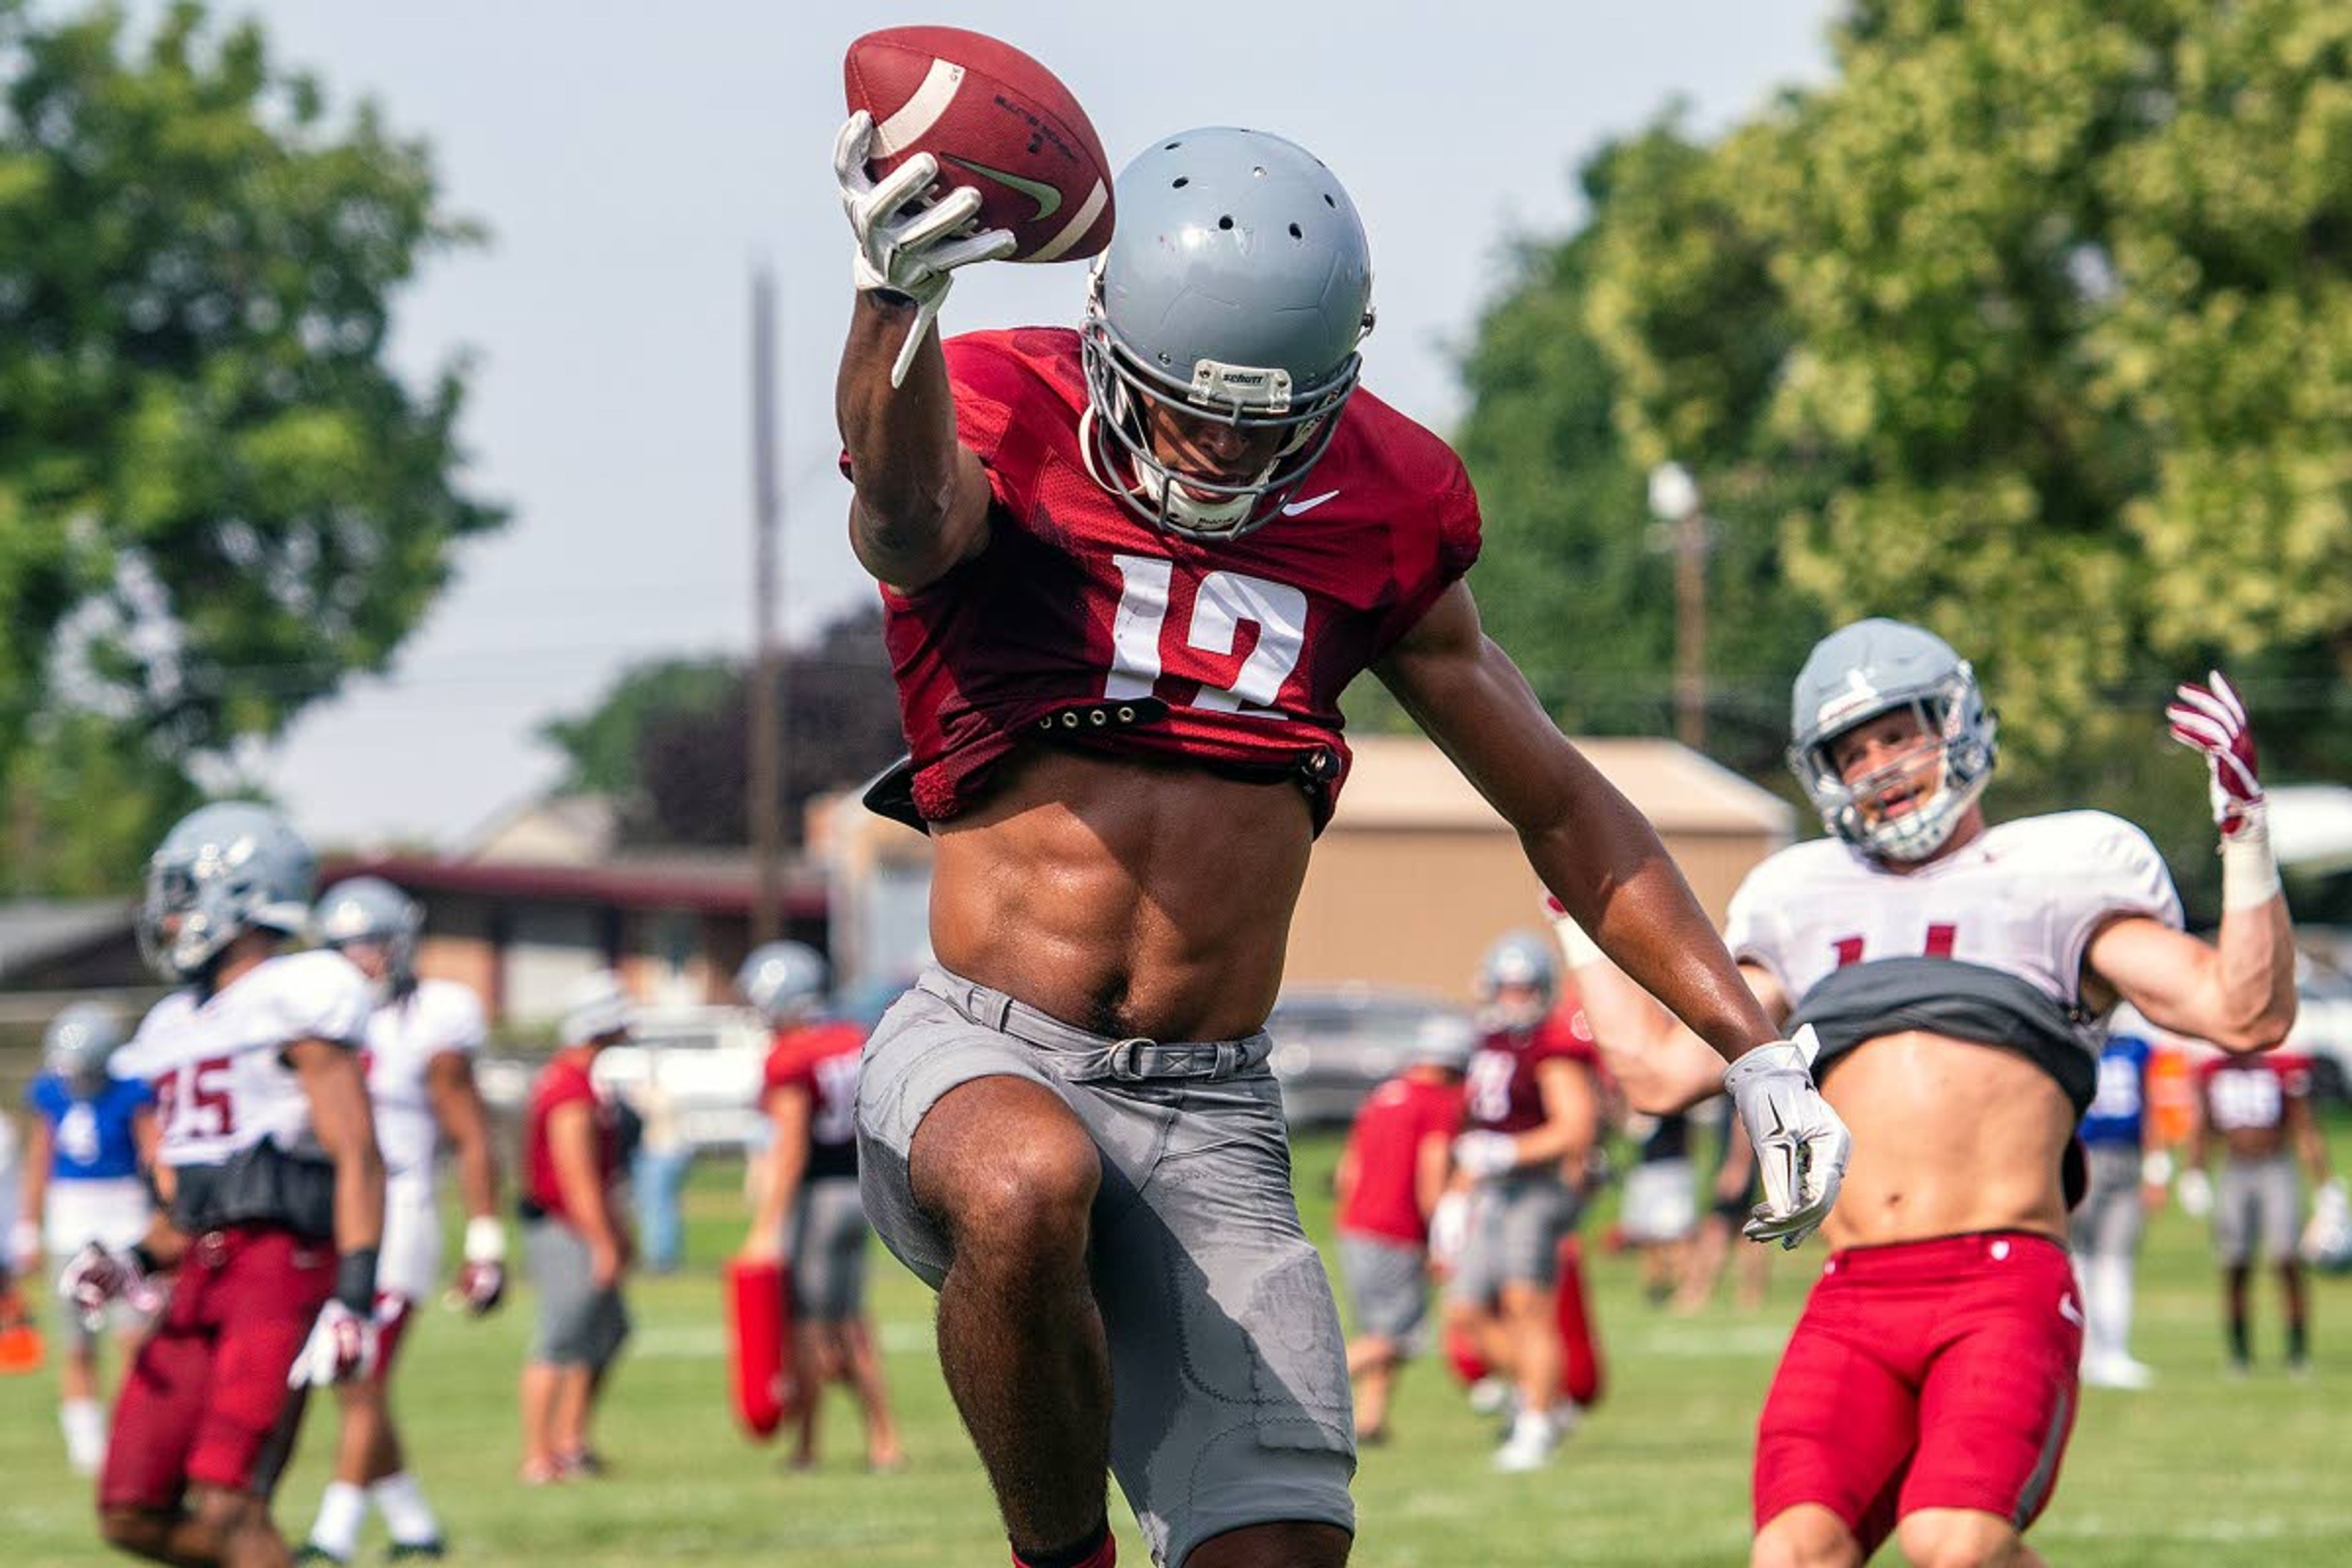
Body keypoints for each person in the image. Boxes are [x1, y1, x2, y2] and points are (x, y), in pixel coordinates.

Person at [832, 108, 1847, 1568]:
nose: (1223, 448)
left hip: (1207, 1103)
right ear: (1109, 344)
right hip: (983, 1049)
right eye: (1190, 407)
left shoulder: (1383, 506)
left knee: (1285, 1548)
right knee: (1022, 1179)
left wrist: (1749, 1043)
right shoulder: (1000, 401)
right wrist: (894, 314)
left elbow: (1558, 800)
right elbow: (902, 522)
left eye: (1267, 419)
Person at [1566, 620, 2297, 1568]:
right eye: (1851, 750)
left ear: (1952, 725)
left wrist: (2246, 836)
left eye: (1896, 734)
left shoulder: (2058, 876)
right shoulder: (1799, 899)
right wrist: (1576, 908)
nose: (1879, 765)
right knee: (1793, 1553)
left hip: (2002, 1279)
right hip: (1853, 1290)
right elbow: (1660, 1073)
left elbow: (2247, 1014)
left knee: (1955, 1545)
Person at [77, 802, 387, 1566]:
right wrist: (133, 1261)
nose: (171, 914)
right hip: (200, 1275)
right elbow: (189, 1205)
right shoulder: (175, 1025)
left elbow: (358, 1154)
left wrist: (354, 1299)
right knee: (130, 1512)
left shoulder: (300, 992)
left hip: (281, 1267)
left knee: (231, 1503)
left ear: (243, 898)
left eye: (185, 893)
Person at [295, 876, 506, 1564]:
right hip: (330, 1208)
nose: (362, 961)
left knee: (361, 1373)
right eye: (345, 948)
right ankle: (413, 1523)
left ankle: (335, 1533)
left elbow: (472, 1134)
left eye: (373, 945)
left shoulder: (430, 1016)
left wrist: (484, 1239)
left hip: (402, 1206)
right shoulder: (313, 1016)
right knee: (348, 1375)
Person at [735, 940, 903, 1472]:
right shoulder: (853, 1038)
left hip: (818, 1201)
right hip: (861, 1190)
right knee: (852, 1323)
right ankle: (883, 1438)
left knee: (808, 1327)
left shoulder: (790, 1057)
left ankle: (808, 1446)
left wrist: (766, 1225)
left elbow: (789, 1149)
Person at [1442, 932, 1604, 1471]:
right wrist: (1458, 1190)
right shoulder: (1489, 1042)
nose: (1514, 998)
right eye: (1506, 988)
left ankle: (1535, 1422)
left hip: (1537, 1188)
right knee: (1466, 1310)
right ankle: (1546, 1398)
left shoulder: (1552, 1047)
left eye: (1524, 988)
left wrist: (1507, 1151)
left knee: (1526, 1307)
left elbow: (1574, 1129)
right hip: (1492, 1189)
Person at [17, 1001, 159, 1474]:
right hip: (69, 1223)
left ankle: (136, 1432)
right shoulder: (50, 1093)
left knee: (132, 1336)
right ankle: (87, 1446)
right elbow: (40, 1159)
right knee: (75, 1340)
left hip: (124, 1221)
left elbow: (152, 1156)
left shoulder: (131, 1093)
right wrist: (28, 1227)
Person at [1330, 1013, 1470, 1446]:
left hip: (1355, 1226)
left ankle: (1371, 1420)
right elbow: (1432, 1175)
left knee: (1379, 1328)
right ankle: (1305, 1393)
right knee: (1399, 1338)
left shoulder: (1384, 1096)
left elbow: (1345, 1173)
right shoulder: (1439, 1103)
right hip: (1397, 1230)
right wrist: (1440, 1239)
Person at [518, 970, 635, 1485]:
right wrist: (603, 1241)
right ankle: (539, 1456)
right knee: (561, 1338)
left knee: (607, 1332)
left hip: (580, 1225)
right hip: (566, 1228)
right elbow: (577, 1178)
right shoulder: (569, 1087)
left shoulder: (583, 1080)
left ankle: (571, 1442)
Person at [2181, 1042, 2338, 1376]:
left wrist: (2324, 1183)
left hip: (2276, 1165)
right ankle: (2240, 1354)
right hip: (2234, 1167)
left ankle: (2297, 1352)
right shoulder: (2213, 1071)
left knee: (2286, 1258)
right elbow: (2203, 1124)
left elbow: (2304, 1126)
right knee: (2235, 1262)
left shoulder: (2282, 1067)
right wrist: (2194, 1170)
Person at [2067, 1021, 2169, 1389]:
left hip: (2126, 1158)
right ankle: (2085, 1352)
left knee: (2117, 1259)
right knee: (2080, 1260)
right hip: (2082, 1155)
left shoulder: (2135, 1047)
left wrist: (2157, 1168)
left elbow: (2151, 1105)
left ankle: (2113, 1352)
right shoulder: (2068, 1041)